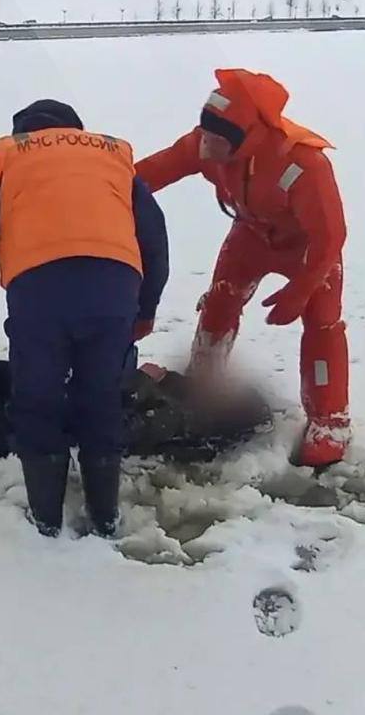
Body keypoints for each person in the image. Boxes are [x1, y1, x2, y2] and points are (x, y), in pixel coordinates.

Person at [0, 100, 169, 538]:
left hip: (40, 287)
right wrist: (146, 308)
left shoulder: (10, 155)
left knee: (38, 397)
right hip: (113, 283)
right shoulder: (114, 155)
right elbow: (154, 238)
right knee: (101, 396)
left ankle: (46, 519)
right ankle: (105, 517)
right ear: (76, 130)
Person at [135, 69, 349, 467]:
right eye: (206, 132)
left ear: (247, 138)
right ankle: (204, 384)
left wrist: (301, 289)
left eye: (218, 137)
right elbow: (146, 175)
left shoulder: (304, 164)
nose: (207, 143)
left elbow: (330, 236)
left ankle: (329, 420)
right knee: (220, 303)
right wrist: (100, 186)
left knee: (322, 323)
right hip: (250, 235)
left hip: (305, 248)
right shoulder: (204, 145)